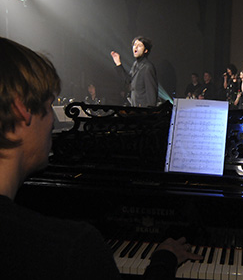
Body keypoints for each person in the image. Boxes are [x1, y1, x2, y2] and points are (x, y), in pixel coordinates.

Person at [0, 37, 201, 280]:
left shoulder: (146, 68)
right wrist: (164, 260)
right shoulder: (72, 247)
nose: (53, 121)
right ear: (22, 109)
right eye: (49, 105)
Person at [111, 36, 159, 107]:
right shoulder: (135, 65)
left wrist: (149, 112)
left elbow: (151, 93)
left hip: (143, 112)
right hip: (135, 108)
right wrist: (118, 63)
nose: (135, 47)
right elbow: (128, 80)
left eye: (139, 45)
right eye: (134, 45)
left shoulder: (147, 67)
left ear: (146, 50)